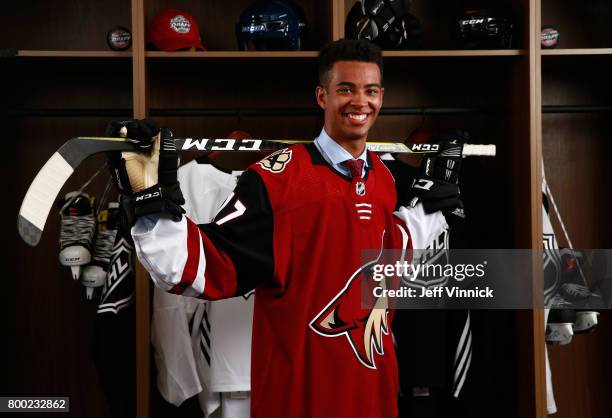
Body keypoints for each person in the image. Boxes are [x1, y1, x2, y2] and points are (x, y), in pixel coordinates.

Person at [107, 38, 462, 418]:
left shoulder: (385, 180)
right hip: (299, 398)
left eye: (370, 90)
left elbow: (390, 259)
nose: (361, 102)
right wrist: (151, 207)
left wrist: (429, 209)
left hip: (373, 398)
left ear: (381, 96)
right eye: (346, 89)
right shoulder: (277, 179)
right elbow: (212, 265)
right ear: (322, 96)